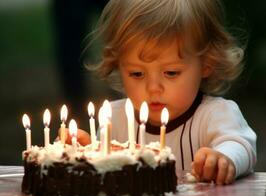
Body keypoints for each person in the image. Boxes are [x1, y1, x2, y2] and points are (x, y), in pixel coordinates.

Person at [60, 0, 257, 185]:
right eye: (136, 73)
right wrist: (85, 151)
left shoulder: (216, 114)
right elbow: (104, 169)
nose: (153, 88)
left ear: (207, 64)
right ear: (118, 65)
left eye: (171, 73)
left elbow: (241, 145)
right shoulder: (115, 119)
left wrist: (225, 158)